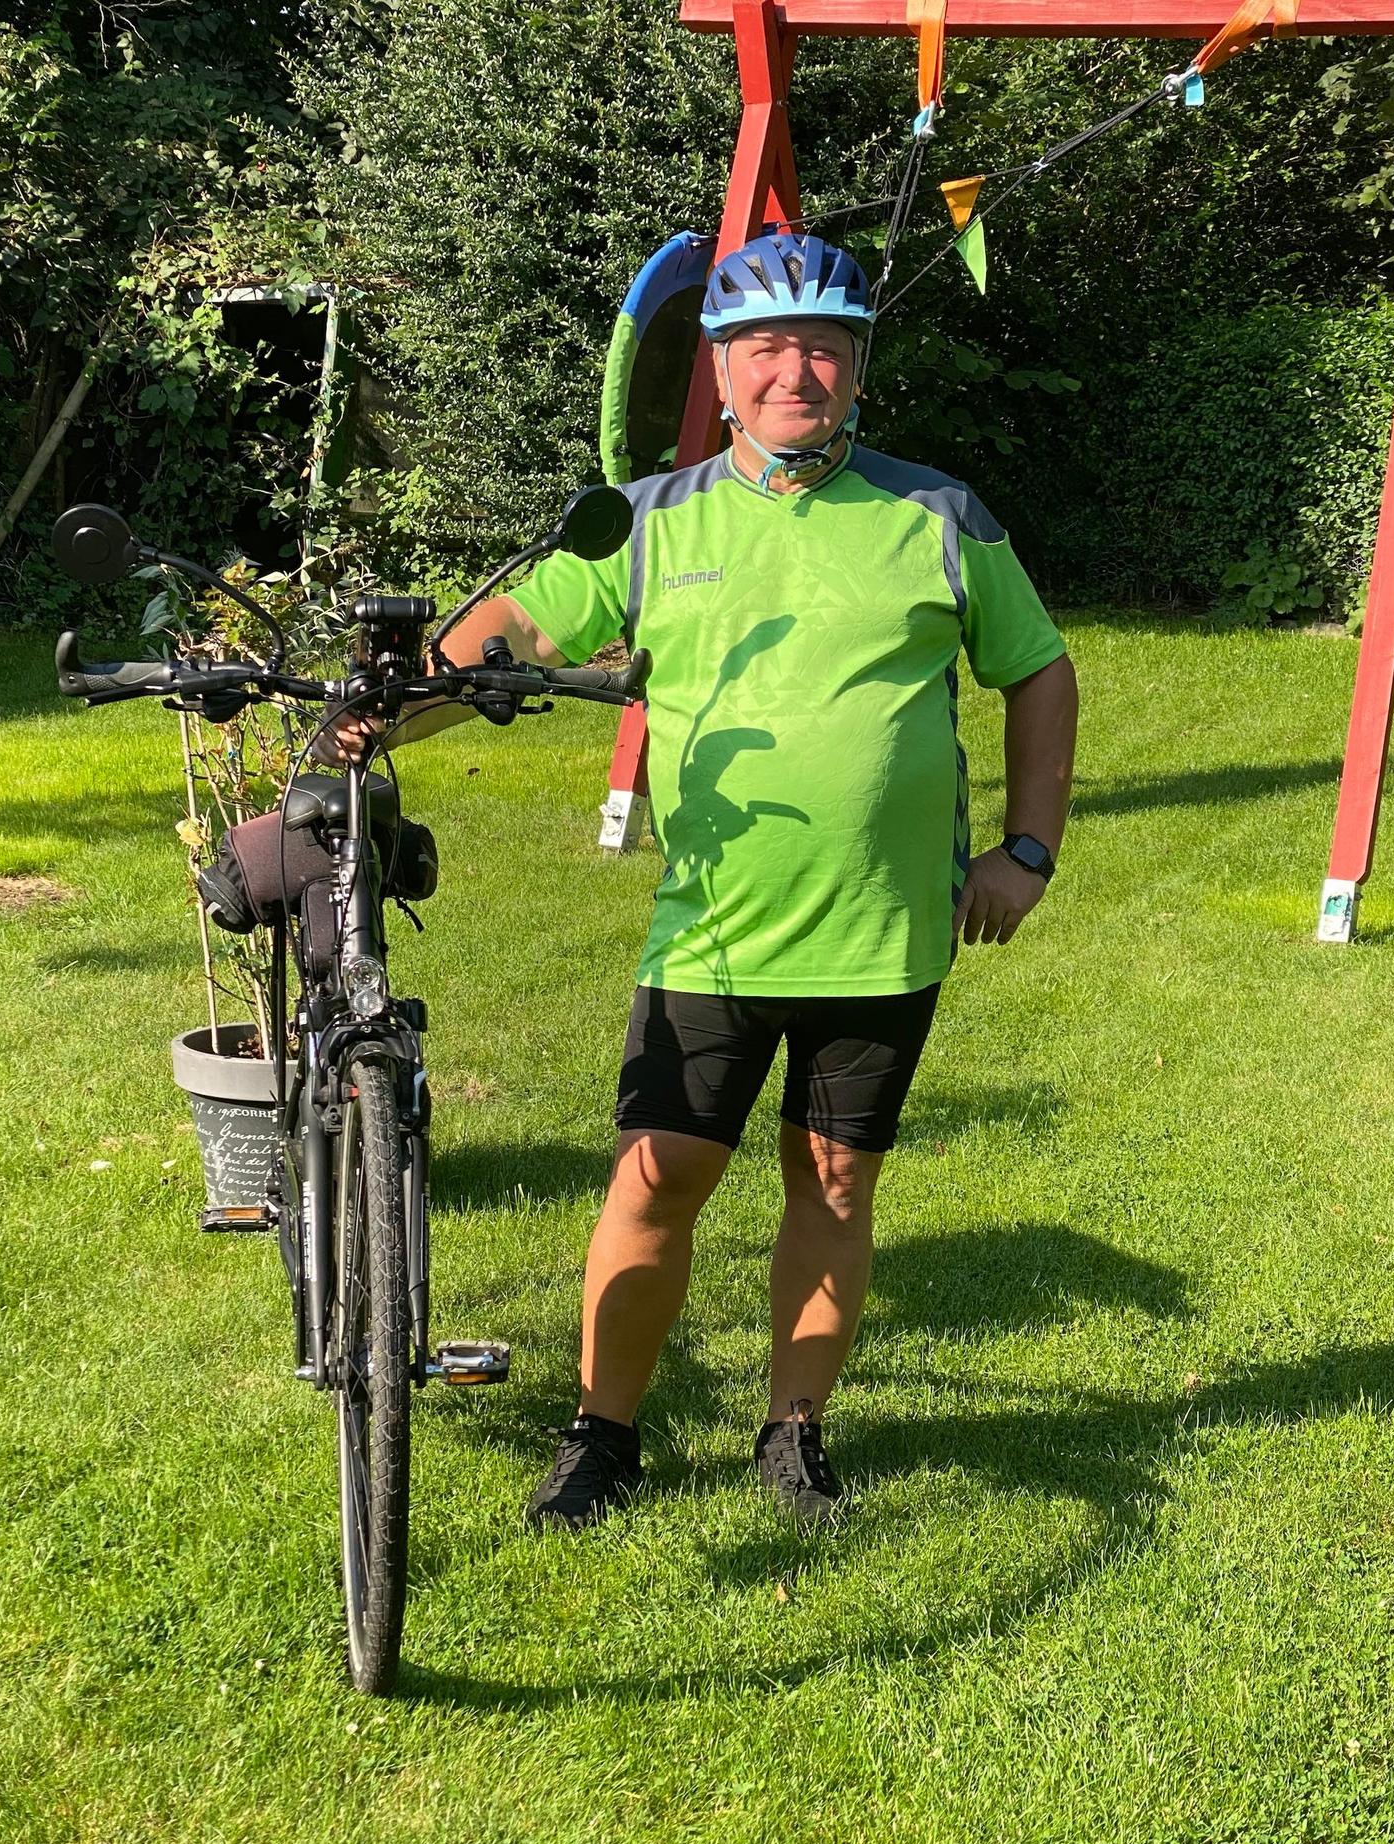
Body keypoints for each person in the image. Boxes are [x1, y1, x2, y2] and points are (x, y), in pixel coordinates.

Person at [335, 231, 1079, 1530]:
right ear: (722, 374)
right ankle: (602, 1435)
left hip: (886, 933)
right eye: (766, 349)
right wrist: (385, 710)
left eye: (825, 348)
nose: (797, 372)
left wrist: (1026, 850)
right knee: (658, 1174)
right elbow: (513, 633)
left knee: (833, 1183)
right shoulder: (649, 520)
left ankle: (794, 1432)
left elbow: (1039, 671)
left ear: (858, 369)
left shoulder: (940, 516)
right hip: (715, 934)